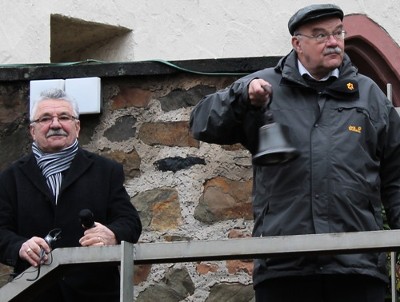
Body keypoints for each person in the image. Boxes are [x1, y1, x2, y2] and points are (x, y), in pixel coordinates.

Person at [190, 3, 400, 302]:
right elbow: (201, 123)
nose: (333, 42)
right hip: (284, 265)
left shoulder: (368, 96)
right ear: (297, 44)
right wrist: (242, 98)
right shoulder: (263, 87)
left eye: (338, 32)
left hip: (358, 266)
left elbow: (396, 175)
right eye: (320, 35)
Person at [0, 88, 142, 302]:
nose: (55, 124)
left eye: (64, 117)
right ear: (32, 130)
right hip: (32, 294)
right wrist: (20, 246)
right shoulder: (11, 177)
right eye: (45, 118)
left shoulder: (105, 171)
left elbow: (130, 222)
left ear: (77, 127)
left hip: (95, 294)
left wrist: (111, 234)